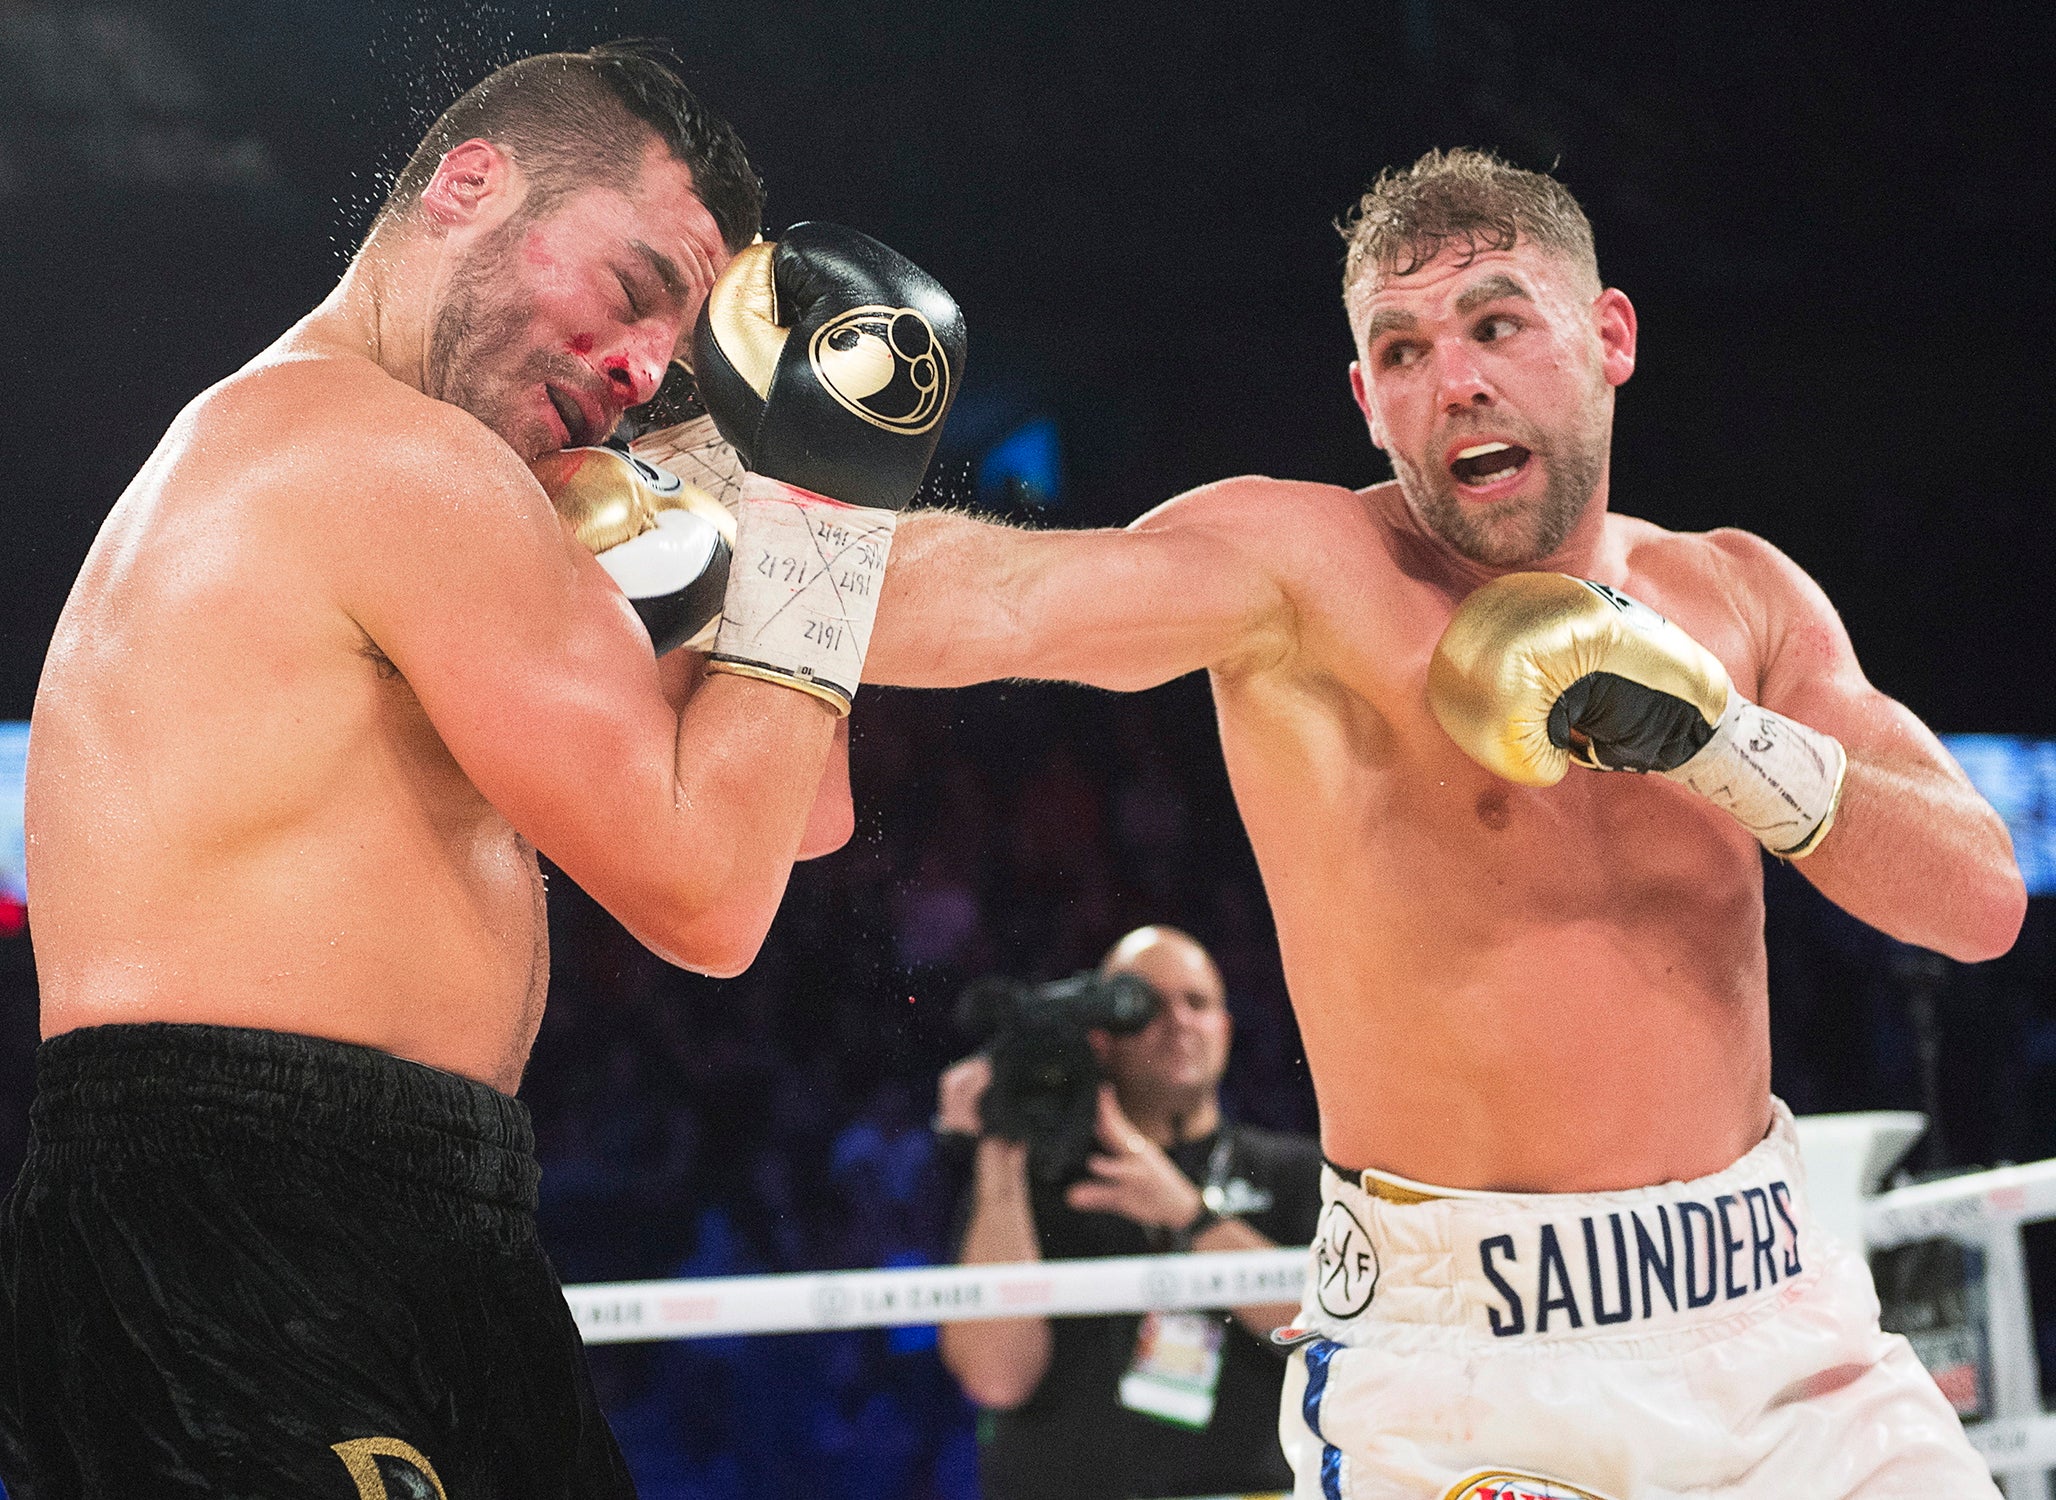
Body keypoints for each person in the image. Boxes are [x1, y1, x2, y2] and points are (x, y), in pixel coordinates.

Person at [866, 149, 2026, 1497]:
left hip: (1783, 1336)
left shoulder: (1740, 596)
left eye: (1496, 322)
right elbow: (997, 600)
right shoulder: (1300, 577)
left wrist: (1721, 744)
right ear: (1368, 402)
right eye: (1402, 349)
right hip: (1473, 1367)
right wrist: (712, 538)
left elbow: (1981, 895)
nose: (1454, 379)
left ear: (1607, 338)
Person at [3, 42, 957, 1500]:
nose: (643, 369)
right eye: (634, 291)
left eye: (675, 353)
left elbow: (792, 814)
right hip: (245, 1230)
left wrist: (747, 489)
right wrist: (827, 503)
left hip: (412, 1217)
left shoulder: (400, 474)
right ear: (470, 184)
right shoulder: (382, 456)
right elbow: (709, 897)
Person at [935, 925, 1322, 1500]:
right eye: (1145, 1005)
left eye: (1197, 1002)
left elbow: (1326, 1332)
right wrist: (999, 1155)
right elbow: (995, 1378)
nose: (1178, 1021)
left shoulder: (1291, 1172)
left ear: (1225, 1029)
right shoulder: (1035, 1186)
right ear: (1102, 1037)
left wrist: (1189, 1216)